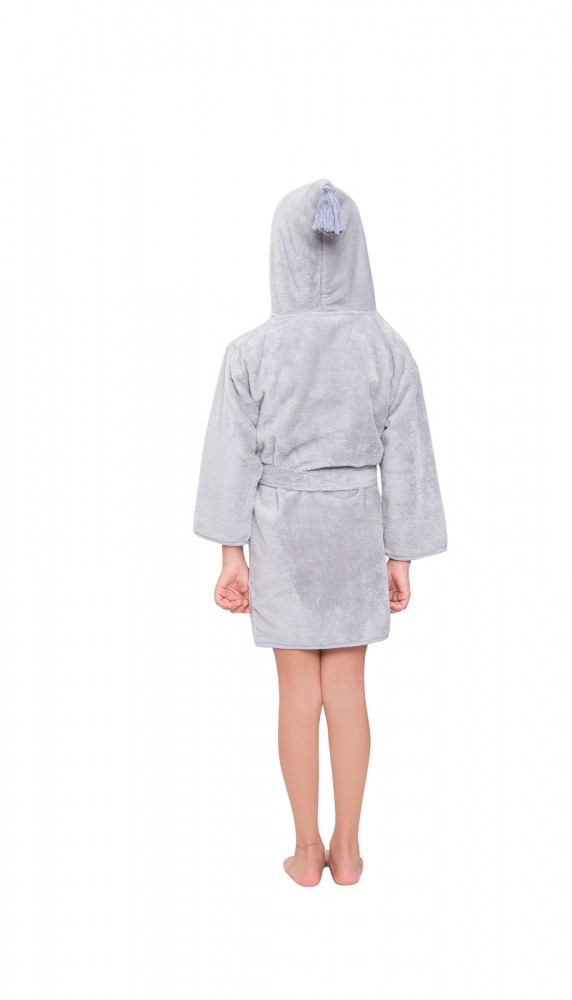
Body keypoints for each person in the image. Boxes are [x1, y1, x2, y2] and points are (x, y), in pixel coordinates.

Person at [194, 178, 447, 886]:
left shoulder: (251, 351)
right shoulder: (386, 346)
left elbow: (230, 458)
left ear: (280, 250)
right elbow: (409, 457)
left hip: (282, 532)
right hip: (355, 527)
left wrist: (231, 555)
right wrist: (401, 556)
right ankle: (351, 850)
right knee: (350, 692)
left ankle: (306, 851)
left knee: (297, 695)